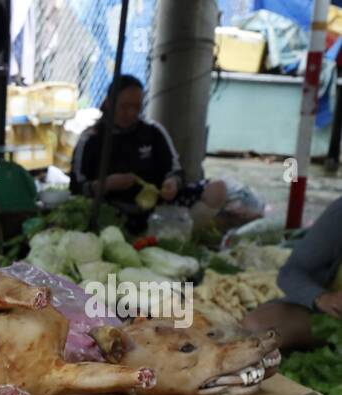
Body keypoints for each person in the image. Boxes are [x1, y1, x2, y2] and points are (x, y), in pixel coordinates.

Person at [70, 74, 227, 232]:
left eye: (137, 107)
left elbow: (175, 171)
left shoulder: (153, 132)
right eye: (124, 107)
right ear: (109, 103)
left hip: (158, 208)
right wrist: (105, 184)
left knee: (217, 189)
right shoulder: (91, 138)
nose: (131, 113)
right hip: (110, 212)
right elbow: (76, 186)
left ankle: (176, 235)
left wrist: (172, 183)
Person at [244, 195, 342, 351]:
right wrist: (322, 298)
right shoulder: (339, 213)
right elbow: (292, 272)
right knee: (257, 327)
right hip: (334, 318)